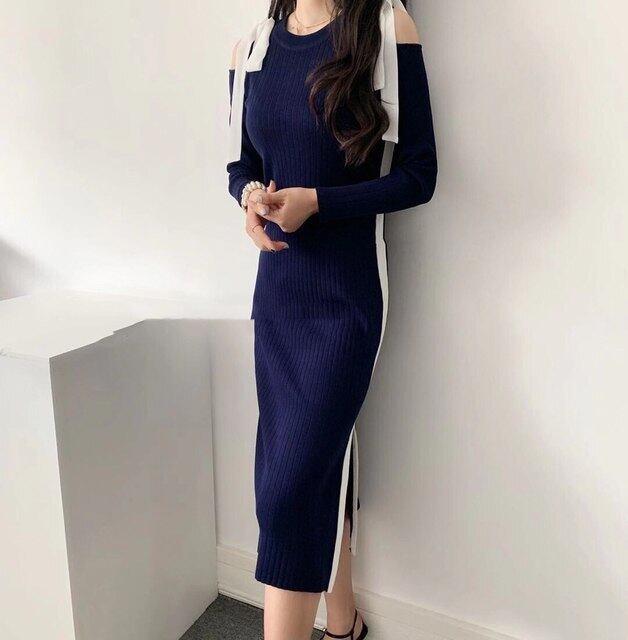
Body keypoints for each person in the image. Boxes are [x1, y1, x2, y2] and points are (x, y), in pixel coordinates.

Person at [226, 1, 437, 638]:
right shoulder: (254, 47)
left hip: (346, 295)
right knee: (310, 469)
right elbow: (240, 163)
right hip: (277, 296)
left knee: (289, 486)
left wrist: (317, 202)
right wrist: (250, 199)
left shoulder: (387, 28)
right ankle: (344, 624)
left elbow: (419, 175)